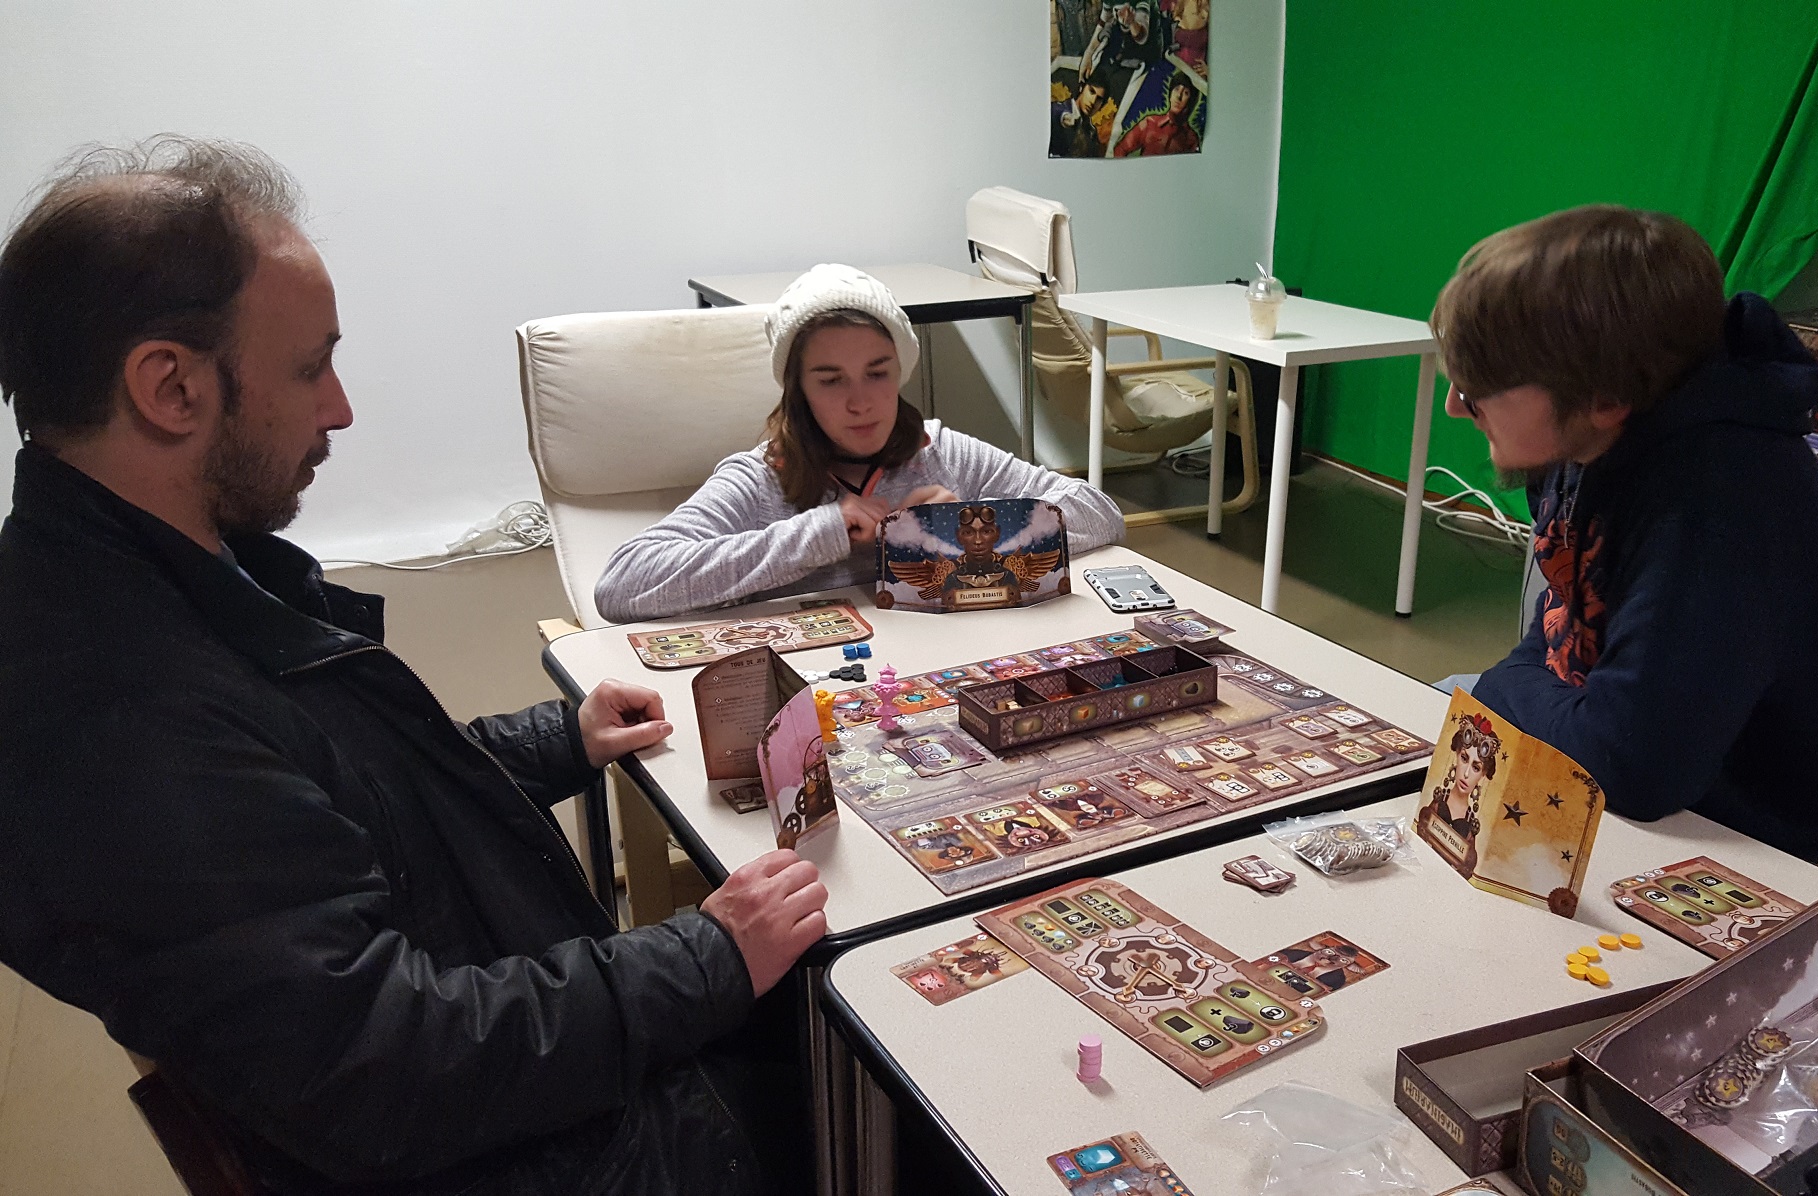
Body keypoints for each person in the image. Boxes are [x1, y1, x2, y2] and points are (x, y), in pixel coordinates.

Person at [0, 137, 826, 1195]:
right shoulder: (123, 715)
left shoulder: (164, 580)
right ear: (171, 386)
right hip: (557, 1153)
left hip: (542, 1093)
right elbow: (388, 1068)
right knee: (881, 1072)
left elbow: (341, 800)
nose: (339, 408)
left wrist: (557, 737)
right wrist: (702, 956)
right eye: (309, 368)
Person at [1431, 205, 1818, 863]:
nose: (1454, 406)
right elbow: (1557, 618)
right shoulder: (1588, 436)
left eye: (1476, 388)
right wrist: (1503, 686)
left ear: (1605, 399)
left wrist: (1494, 691)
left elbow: (1632, 766)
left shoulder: (1718, 507)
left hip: (1723, 832)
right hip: (1603, 738)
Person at [596, 264, 1125, 621]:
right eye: (831, 380)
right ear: (798, 389)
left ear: (900, 371)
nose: (860, 402)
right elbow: (622, 584)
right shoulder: (760, 478)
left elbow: (1099, 513)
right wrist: (824, 532)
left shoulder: (940, 452)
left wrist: (967, 527)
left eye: (877, 373)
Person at [1113, 72, 1203, 158]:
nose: (1178, 96)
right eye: (1176, 89)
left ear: (1191, 101)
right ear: (1170, 94)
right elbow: (1121, 149)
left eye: (1186, 93)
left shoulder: (1191, 139)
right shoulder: (1150, 123)